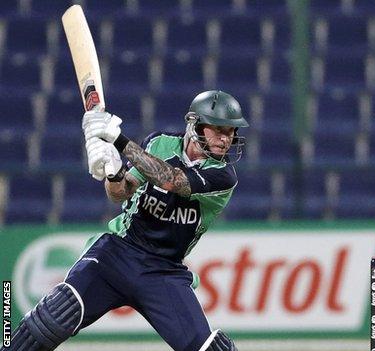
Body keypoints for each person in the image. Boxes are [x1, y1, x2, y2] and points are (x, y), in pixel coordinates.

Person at [4, 90, 248, 351]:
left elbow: (172, 180)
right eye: (218, 130)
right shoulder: (160, 143)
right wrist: (113, 171)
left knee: (209, 348)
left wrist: (118, 140)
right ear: (194, 124)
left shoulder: (224, 176)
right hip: (117, 253)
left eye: (231, 132)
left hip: (163, 271)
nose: (226, 139)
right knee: (53, 318)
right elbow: (120, 192)